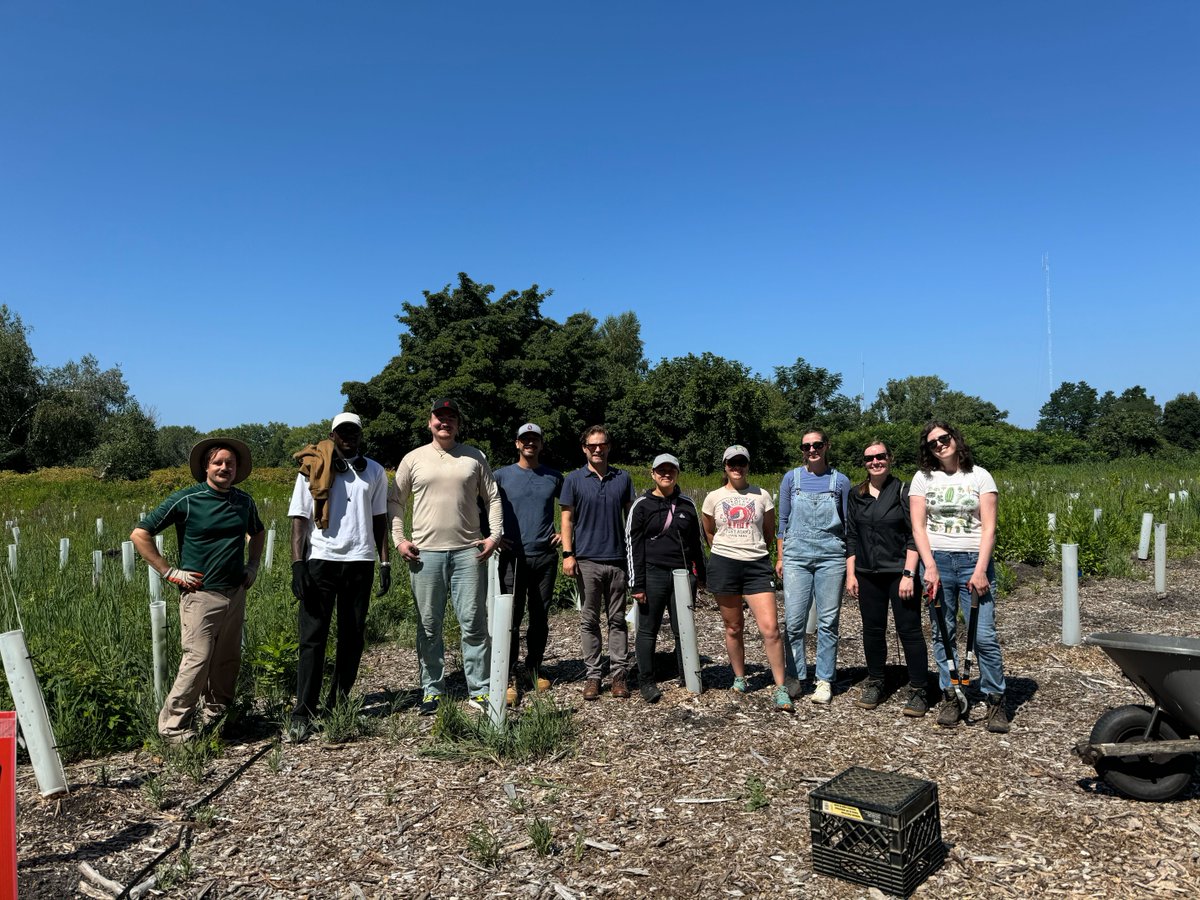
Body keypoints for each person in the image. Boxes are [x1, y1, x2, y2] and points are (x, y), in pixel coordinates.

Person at [131, 438, 264, 744]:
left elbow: (257, 532)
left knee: (228, 659)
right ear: (206, 467)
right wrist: (169, 571)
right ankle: (174, 726)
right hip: (200, 595)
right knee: (198, 658)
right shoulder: (188, 500)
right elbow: (140, 534)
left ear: (237, 469)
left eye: (230, 463)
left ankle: (217, 717)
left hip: (235, 592)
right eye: (218, 463)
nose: (224, 468)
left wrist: (253, 565)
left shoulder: (244, 501)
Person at [389, 399, 502, 715]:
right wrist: (399, 540)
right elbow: (396, 502)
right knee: (428, 625)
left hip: (469, 552)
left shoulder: (474, 457)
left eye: (451, 418)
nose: (445, 423)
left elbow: (492, 498)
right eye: (440, 418)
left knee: (474, 624)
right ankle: (431, 690)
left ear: (458, 425)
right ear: (430, 422)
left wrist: (495, 535)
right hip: (425, 555)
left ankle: (479, 690)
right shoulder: (413, 459)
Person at [288, 412, 391, 740]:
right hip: (322, 560)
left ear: (360, 435)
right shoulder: (311, 468)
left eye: (353, 432)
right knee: (312, 638)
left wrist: (385, 562)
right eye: (342, 432)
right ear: (332, 435)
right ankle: (303, 710)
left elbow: (379, 521)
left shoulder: (373, 471)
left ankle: (338, 702)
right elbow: (299, 519)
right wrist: (297, 563)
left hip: (361, 561)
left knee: (352, 636)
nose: (348, 437)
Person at [910, 420, 1011, 733]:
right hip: (938, 561)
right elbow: (918, 527)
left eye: (944, 438)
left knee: (983, 637)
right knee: (943, 632)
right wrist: (929, 566)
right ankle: (952, 694)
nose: (940, 444)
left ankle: (995, 698)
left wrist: (981, 569)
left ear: (955, 438)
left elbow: (989, 527)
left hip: (972, 563)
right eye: (933, 442)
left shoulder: (980, 476)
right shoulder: (922, 479)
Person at [701, 445, 792, 712]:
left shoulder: (762, 495)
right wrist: (726, 550)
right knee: (733, 627)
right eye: (732, 463)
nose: (737, 467)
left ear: (748, 465)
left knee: (771, 629)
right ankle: (740, 677)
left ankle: (781, 687)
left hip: (756, 565)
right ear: (725, 466)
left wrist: (753, 550)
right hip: (724, 564)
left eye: (741, 462)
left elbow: (768, 530)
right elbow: (709, 531)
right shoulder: (713, 497)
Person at [844, 440, 928, 717]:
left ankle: (919, 688)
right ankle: (876, 681)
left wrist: (908, 573)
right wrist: (851, 573)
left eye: (880, 456)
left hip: (899, 573)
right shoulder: (856, 494)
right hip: (868, 574)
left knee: (909, 630)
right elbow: (852, 536)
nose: (875, 462)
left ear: (890, 458)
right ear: (864, 463)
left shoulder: (903, 491)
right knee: (872, 630)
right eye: (869, 458)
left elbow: (913, 535)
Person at [560, 425, 635, 701]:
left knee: (617, 619)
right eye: (592, 445)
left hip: (617, 559)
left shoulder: (623, 478)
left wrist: (633, 555)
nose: (597, 449)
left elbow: (631, 518)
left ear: (608, 447)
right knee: (589, 620)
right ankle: (593, 675)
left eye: (602, 444)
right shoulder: (574, 479)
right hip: (587, 560)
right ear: (584, 448)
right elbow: (567, 519)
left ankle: (619, 674)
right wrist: (568, 555)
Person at [777, 429, 852, 704]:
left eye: (817, 445)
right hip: (796, 554)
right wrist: (781, 557)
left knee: (828, 621)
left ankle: (824, 679)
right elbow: (783, 522)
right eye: (806, 446)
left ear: (826, 446)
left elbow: (847, 522)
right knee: (794, 621)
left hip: (831, 555)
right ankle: (796, 675)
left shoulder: (840, 481)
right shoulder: (791, 479)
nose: (812, 450)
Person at [625, 453, 707, 703]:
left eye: (671, 470)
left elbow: (697, 543)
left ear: (677, 473)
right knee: (648, 630)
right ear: (652, 474)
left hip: (682, 576)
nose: (666, 474)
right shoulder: (641, 505)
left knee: (682, 629)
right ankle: (646, 680)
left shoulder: (687, 504)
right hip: (652, 573)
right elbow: (632, 545)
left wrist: (701, 576)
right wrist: (636, 584)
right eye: (661, 470)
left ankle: (687, 673)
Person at [494, 422, 563, 706]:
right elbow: (479, 505)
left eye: (535, 439)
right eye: (525, 439)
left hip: (544, 556)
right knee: (510, 617)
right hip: (512, 556)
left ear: (541, 444)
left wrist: (564, 534)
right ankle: (508, 675)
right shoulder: (501, 476)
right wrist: (492, 537)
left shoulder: (554, 477)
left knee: (540, 616)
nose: (530, 443)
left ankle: (533, 668)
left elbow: (575, 506)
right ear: (517, 443)